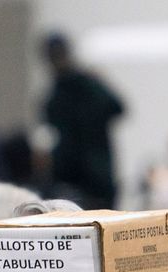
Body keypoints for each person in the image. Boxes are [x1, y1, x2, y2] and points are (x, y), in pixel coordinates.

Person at [42, 33, 124, 209]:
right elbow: (118, 107)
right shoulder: (90, 84)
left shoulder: (56, 96)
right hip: (96, 176)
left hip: (74, 179)